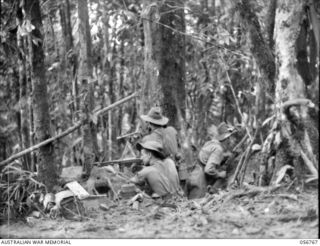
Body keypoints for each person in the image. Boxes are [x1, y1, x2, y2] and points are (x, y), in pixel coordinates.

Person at [139, 107, 188, 184]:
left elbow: (146, 160)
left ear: (149, 123)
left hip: (162, 178)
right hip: (177, 173)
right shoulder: (172, 130)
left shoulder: (147, 139)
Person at [198, 122, 237, 192]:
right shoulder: (218, 149)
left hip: (195, 174)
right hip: (200, 180)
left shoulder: (210, 143)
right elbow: (208, 170)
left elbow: (207, 156)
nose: (230, 141)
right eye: (229, 138)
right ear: (227, 138)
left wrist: (225, 156)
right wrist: (219, 174)